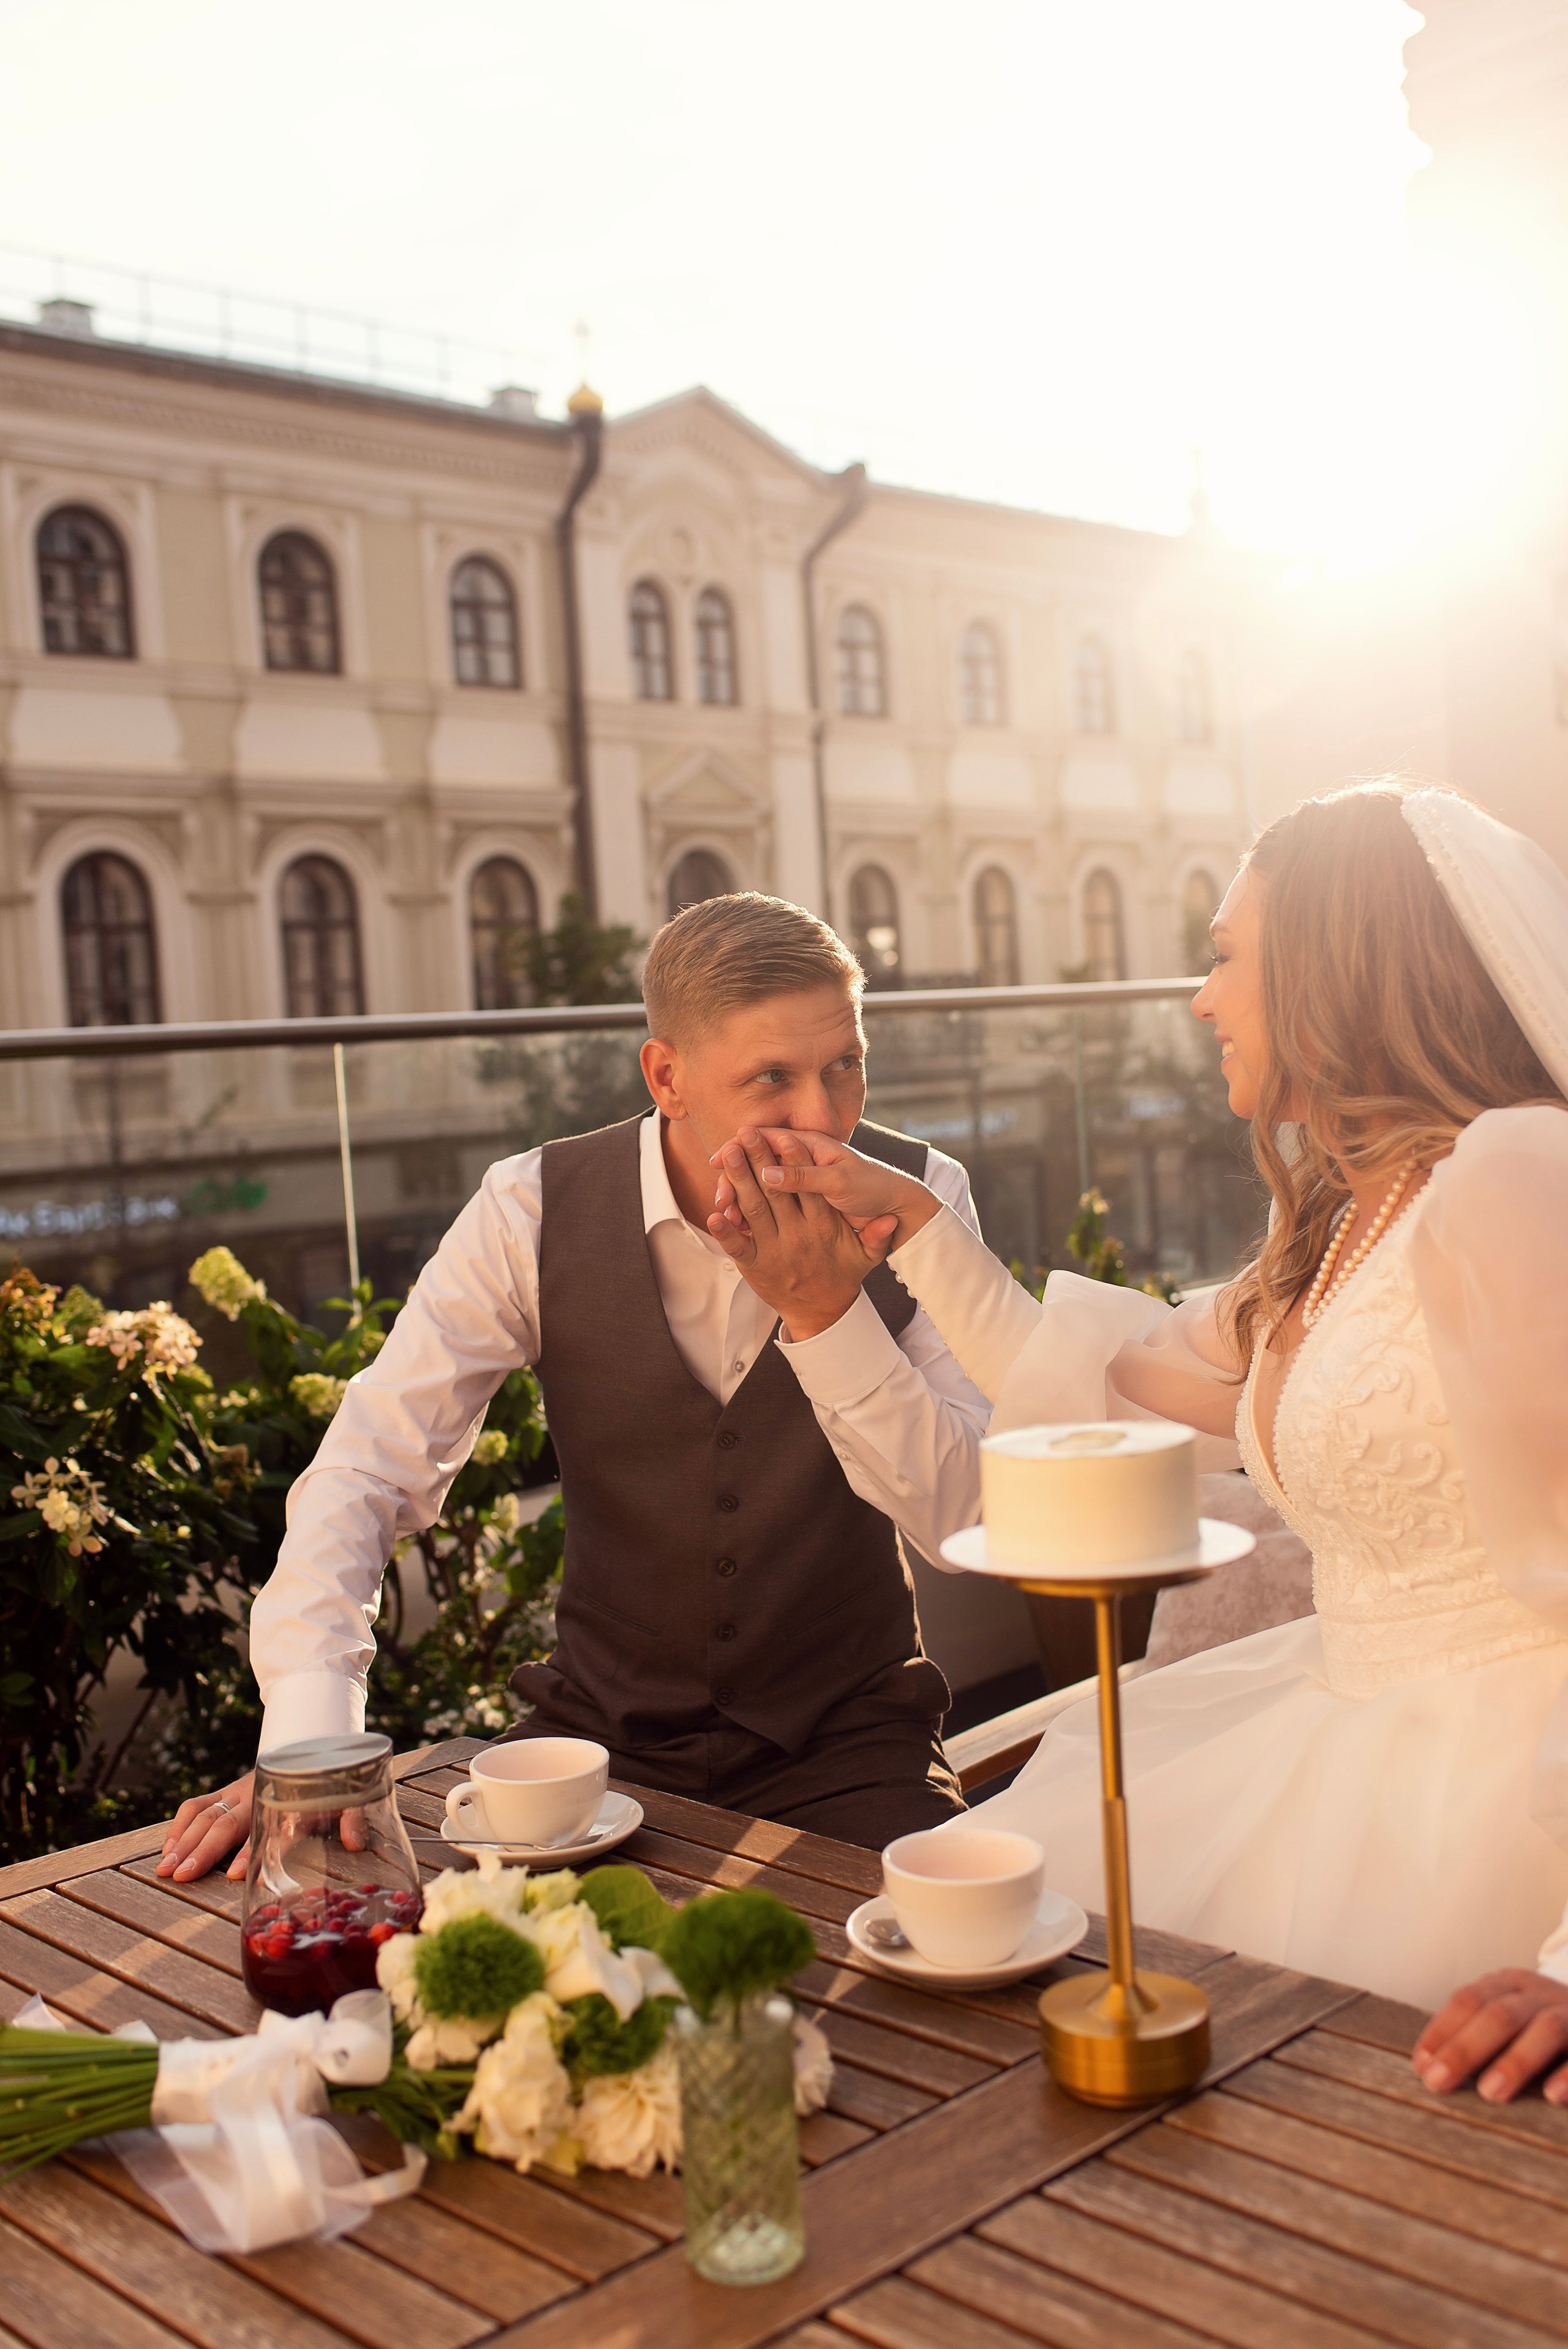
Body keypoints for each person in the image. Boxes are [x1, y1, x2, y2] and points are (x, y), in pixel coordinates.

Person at [707, 785, 1568, 2010]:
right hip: (1338, 1732)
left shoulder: (1516, 1176)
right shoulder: (1336, 1228)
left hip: (1496, 1806)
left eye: (1224, 956)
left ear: (1339, 970)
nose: (1198, 997)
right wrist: (898, 1216)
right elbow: (1086, 1394)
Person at [158, 892, 989, 1883]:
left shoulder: (922, 1196)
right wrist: (309, 1739)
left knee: (920, 1993)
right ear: (667, 1076)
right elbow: (367, 1468)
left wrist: (828, 1319)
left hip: (853, 1749)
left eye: (845, 1065)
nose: (825, 1118)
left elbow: (966, 1518)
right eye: (774, 1077)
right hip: (599, 1747)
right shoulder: (529, 1211)